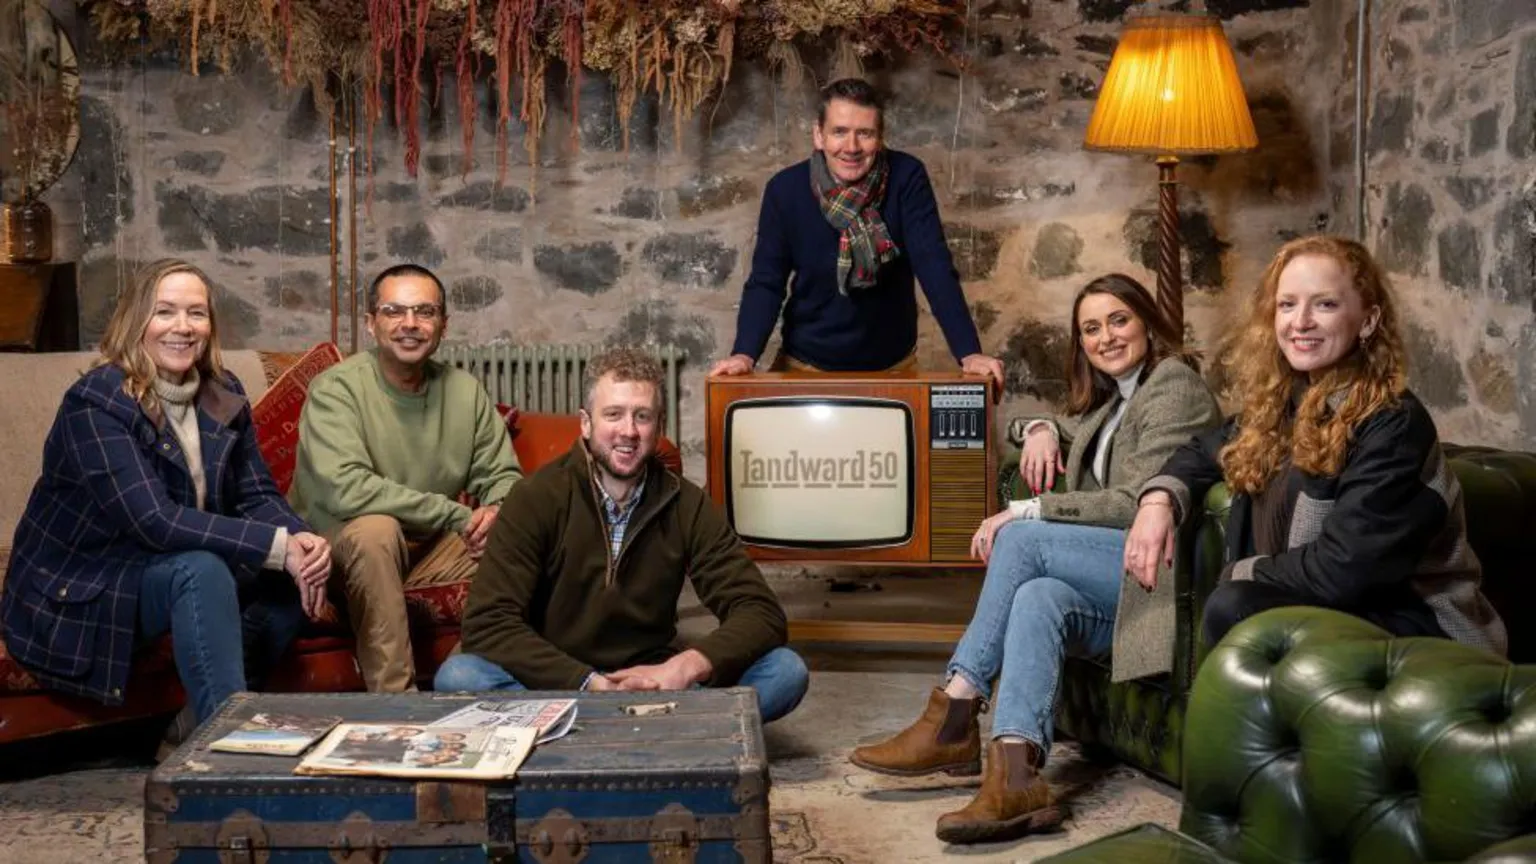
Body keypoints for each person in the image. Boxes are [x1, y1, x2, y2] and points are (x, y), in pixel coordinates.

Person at [848, 274, 1222, 844]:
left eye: (1119, 320)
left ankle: (954, 710)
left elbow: (1134, 502)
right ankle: (1017, 775)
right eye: (1091, 329)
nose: (1106, 338)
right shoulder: (1114, 400)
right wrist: (1042, 428)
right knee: (1037, 596)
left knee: (1022, 539)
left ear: (1148, 321)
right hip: (1112, 579)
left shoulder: (1173, 385)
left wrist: (1026, 512)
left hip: (1156, 575)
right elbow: (1045, 426)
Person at [1124, 235, 1507, 654]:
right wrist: (1157, 501)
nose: (1300, 321)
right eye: (1287, 305)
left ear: (1368, 320)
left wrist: (1241, 571)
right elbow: (1202, 450)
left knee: (1234, 604)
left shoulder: (1392, 422)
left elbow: (1345, 571)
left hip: (1416, 626)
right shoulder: (1284, 405)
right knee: (1233, 607)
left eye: (1325, 304)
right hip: (1322, 610)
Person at [0, 259, 331, 734]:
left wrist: (301, 540)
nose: (183, 327)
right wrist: (277, 547)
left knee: (286, 579)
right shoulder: (96, 403)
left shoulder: (221, 390)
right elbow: (156, 521)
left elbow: (256, 491)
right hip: (83, 587)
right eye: (165, 312)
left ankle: (192, 727)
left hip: (157, 570)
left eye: (196, 313)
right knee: (202, 569)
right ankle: (227, 748)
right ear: (138, 321)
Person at [435, 347, 808, 724]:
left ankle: (584, 733)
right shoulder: (535, 498)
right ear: (585, 423)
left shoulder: (686, 503)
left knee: (785, 671)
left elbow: (761, 613)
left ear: (659, 426)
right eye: (613, 414)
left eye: (642, 416)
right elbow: (486, 623)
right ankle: (658, 730)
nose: (628, 431)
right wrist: (589, 683)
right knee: (459, 676)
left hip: (654, 682)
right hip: (556, 683)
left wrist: (683, 668)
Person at [290, 263, 522, 693]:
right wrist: (457, 514)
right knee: (378, 531)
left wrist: (495, 511)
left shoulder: (464, 390)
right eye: (395, 311)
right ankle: (396, 702)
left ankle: (470, 683)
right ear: (371, 323)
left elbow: (503, 475)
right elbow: (348, 489)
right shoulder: (335, 389)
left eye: (425, 312)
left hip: (428, 542)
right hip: (337, 544)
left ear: (443, 324)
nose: (410, 325)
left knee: (516, 529)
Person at [708, 77, 1004, 386]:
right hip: (805, 365)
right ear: (818, 136)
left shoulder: (906, 177)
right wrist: (744, 355)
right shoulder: (785, 190)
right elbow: (766, 283)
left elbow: (934, 266)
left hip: (893, 368)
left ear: (880, 138)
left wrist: (969, 353)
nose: (851, 148)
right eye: (839, 132)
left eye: (864, 133)